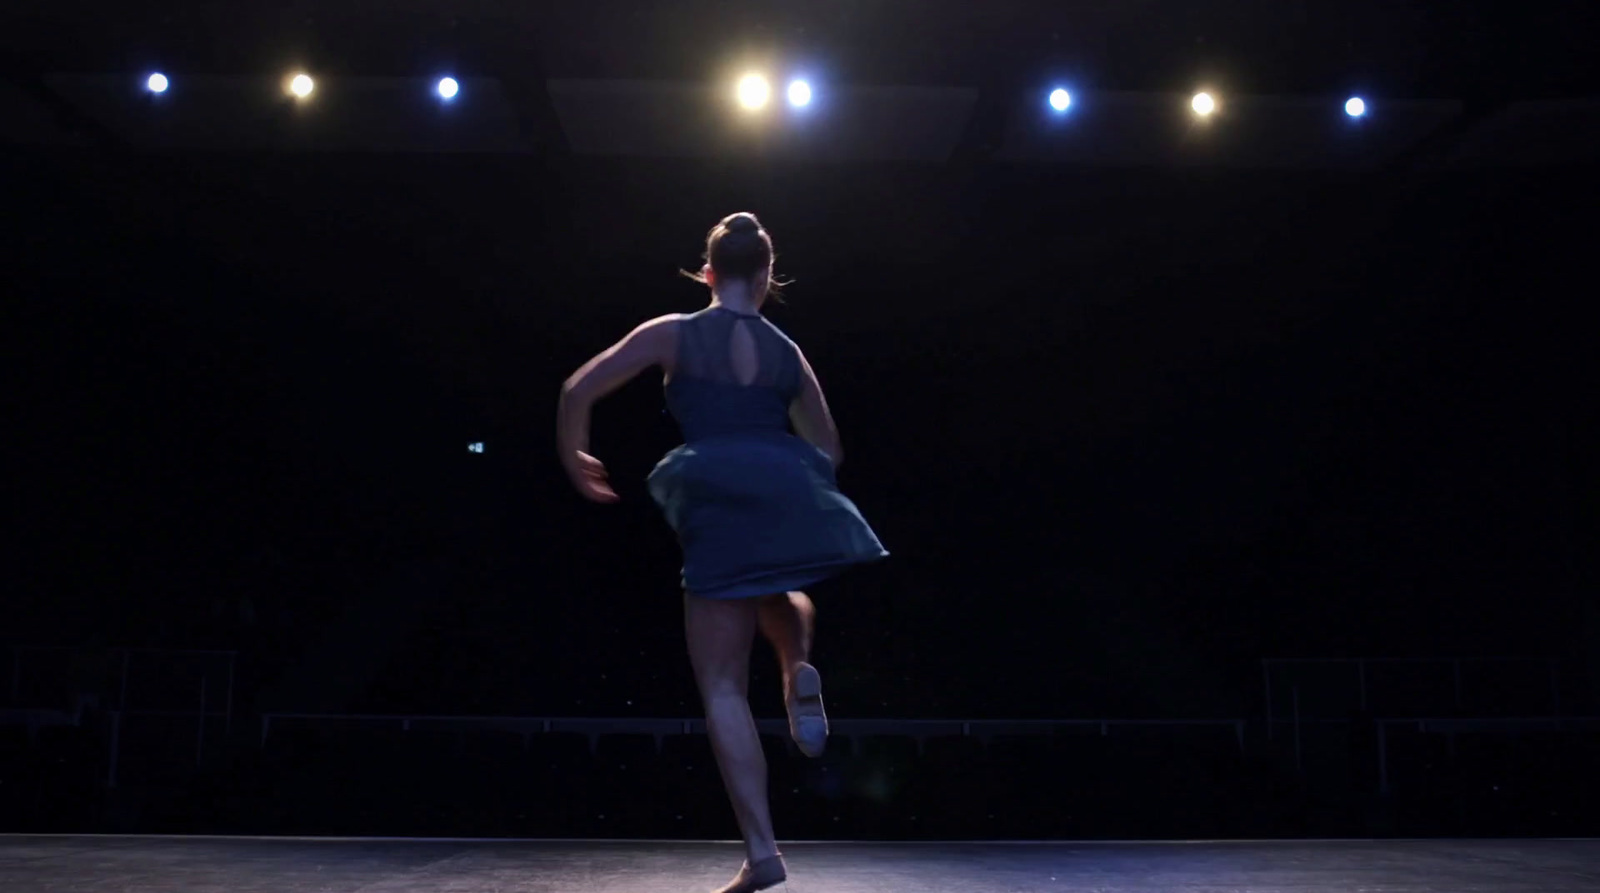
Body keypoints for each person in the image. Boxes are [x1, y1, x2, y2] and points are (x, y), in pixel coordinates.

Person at [556, 212, 888, 892]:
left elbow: (577, 387)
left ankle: (763, 851)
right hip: (776, 482)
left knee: (723, 685)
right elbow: (831, 447)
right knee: (783, 590)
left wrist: (575, 452)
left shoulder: (672, 333)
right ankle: (797, 666)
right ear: (767, 277)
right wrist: (782, 473)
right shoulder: (787, 352)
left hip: (711, 493)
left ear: (707, 272)